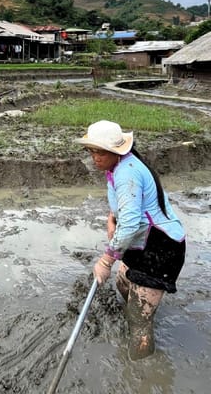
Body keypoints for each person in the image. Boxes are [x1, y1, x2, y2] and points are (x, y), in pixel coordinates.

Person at [75, 120, 186, 360]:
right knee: (123, 282)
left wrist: (105, 261)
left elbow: (130, 224)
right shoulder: (117, 168)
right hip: (141, 240)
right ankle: (143, 310)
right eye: (91, 151)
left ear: (116, 151)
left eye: (99, 152)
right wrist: (111, 218)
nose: (94, 157)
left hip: (160, 247)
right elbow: (126, 209)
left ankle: (142, 370)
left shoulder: (127, 173)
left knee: (139, 322)